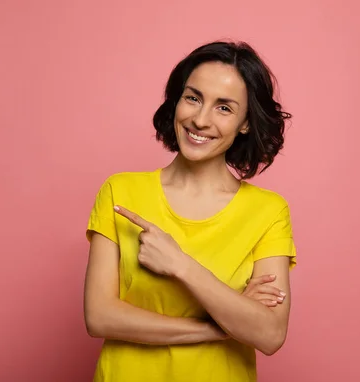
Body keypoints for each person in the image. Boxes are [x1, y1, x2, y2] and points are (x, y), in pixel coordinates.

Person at [83, 40, 297, 382]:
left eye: (224, 108)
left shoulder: (268, 211)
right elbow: (100, 317)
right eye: (193, 98)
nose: (199, 119)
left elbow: (269, 335)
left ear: (245, 123)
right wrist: (221, 327)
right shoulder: (121, 191)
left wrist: (180, 264)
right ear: (177, 100)